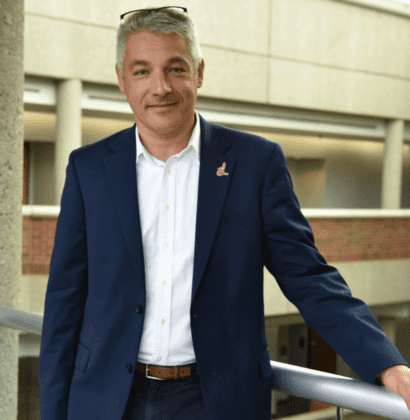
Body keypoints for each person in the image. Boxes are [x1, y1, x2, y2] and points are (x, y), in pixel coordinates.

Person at [39, 6, 410, 420]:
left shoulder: (255, 163)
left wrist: (387, 364)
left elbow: (307, 277)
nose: (160, 87)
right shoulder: (88, 169)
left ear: (198, 73)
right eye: (142, 71)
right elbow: (64, 305)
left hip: (214, 400)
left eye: (175, 69)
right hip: (108, 398)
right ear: (121, 79)